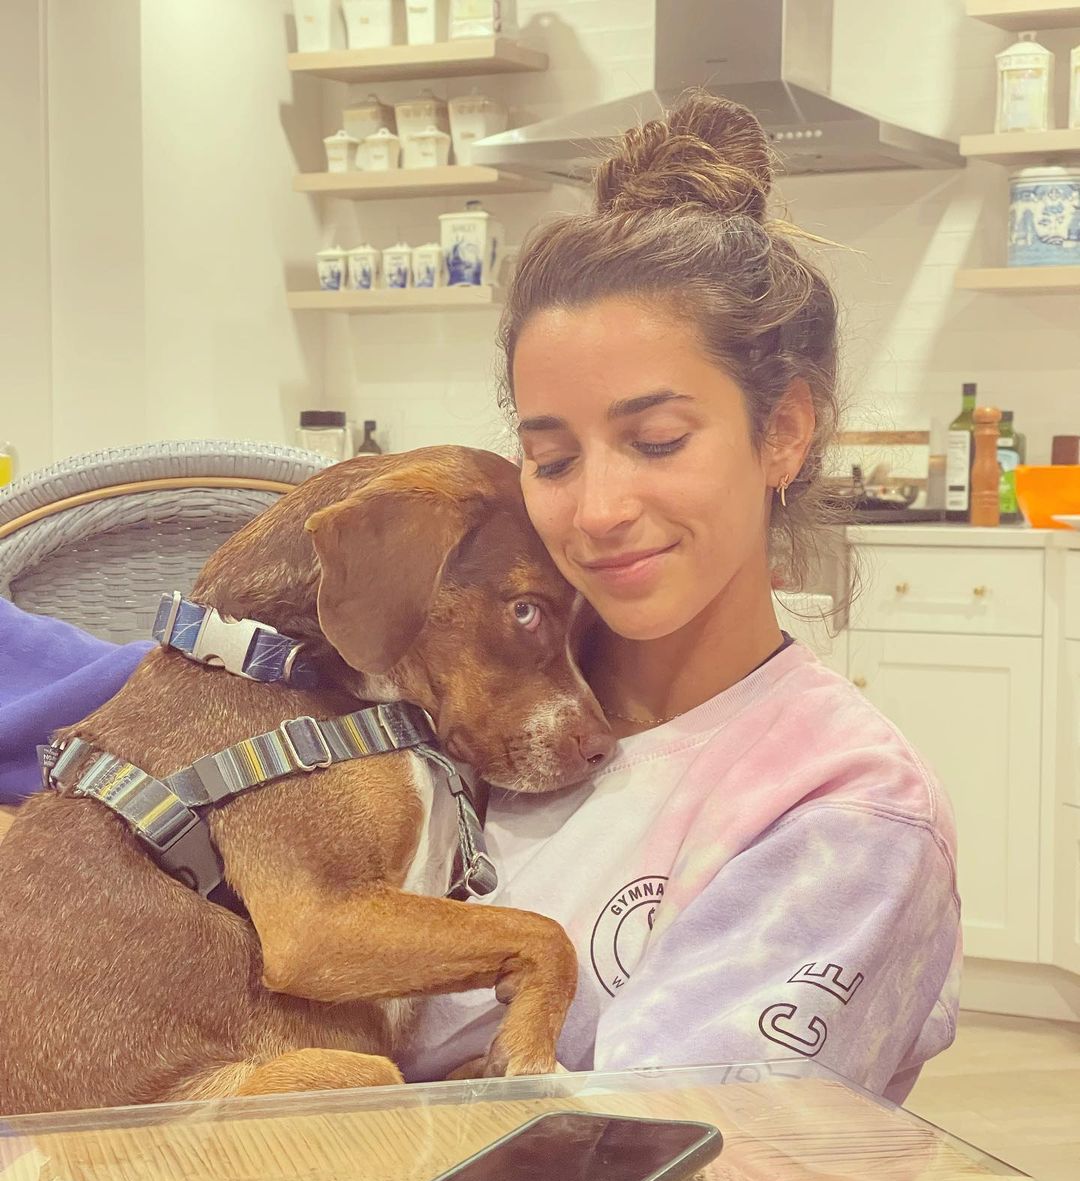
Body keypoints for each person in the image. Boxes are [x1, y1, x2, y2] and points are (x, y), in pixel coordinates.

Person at [0, 95, 960, 1105]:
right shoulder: (429, 677)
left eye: (658, 441)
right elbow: (124, 729)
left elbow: (674, 1163)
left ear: (785, 432)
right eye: (553, 457)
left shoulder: (844, 815)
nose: (598, 510)